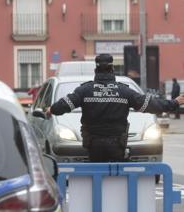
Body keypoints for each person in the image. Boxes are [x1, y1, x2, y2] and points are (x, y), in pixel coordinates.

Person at [45, 54, 184, 162]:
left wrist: (51, 110)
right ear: (112, 69)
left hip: (93, 145)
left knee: (96, 179)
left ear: (96, 69)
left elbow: (64, 105)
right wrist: (174, 103)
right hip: (117, 146)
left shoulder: (84, 90)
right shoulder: (124, 91)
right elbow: (150, 104)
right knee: (116, 180)